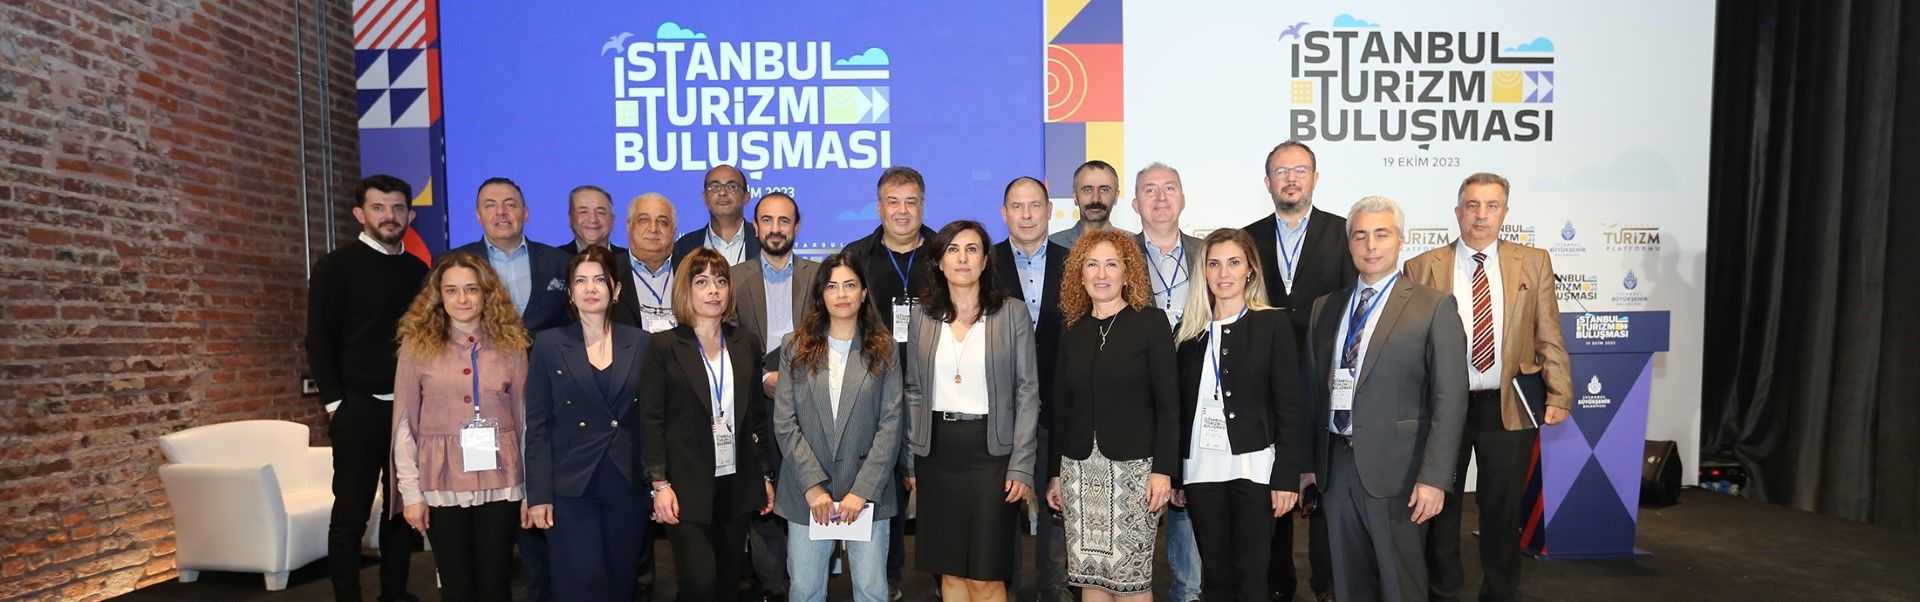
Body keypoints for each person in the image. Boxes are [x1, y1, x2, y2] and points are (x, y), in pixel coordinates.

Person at [1404, 173, 1572, 602]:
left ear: (1505, 212)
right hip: (1444, 410)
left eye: (1491, 206)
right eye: (1472, 205)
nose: (1481, 215)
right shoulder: (1422, 267)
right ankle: (1443, 588)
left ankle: (1500, 591)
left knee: (1502, 510)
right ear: (1457, 211)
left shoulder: (1533, 261)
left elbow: (1548, 332)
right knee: (1439, 506)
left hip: (1508, 405)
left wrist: (1559, 393)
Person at [1306, 196, 1468, 601]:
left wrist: (1435, 478)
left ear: (1400, 240)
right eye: (1360, 236)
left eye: (1381, 234)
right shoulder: (1326, 308)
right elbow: (1314, 393)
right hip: (1336, 469)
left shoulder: (1433, 306)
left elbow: (1450, 400)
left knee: (1402, 586)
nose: (1371, 245)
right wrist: (1307, 465)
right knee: (1348, 586)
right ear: (1350, 244)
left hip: (1400, 474)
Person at [904, 220, 1040, 602]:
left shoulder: (1011, 313)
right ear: (939, 262)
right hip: (937, 453)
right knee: (950, 571)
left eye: (971, 249)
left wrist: (1021, 464)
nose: (962, 258)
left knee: (985, 576)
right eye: (953, 250)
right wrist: (912, 460)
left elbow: (1028, 391)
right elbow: (913, 391)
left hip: (992, 455)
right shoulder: (922, 315)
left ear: (984, 261)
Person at [307, 174, 426, 602]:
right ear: (361, 214)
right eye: (378, 208)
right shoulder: (335, 267)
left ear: (410, 215)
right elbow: (318, 338)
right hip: (358, 409)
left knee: (401, 510)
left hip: (408, 410)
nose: (389, 216)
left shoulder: (419, 271)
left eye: (397, 208)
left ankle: (395, 593)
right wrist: (336, 404)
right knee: (350, 515)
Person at [389, 253, 533, 602]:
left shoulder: (513, 345)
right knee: (456, 587)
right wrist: (411, 494)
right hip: (442, 480)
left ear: (486, 293)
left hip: (501, 480)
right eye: (451, 290)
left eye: (471, 289)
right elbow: (404, 425)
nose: (462, 299)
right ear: (439, 295)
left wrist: (532, 490)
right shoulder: (415, 346)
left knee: (496, 585)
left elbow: (526, 421)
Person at [1044, 229, 1179, 601]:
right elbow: (1061, 407)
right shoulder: (1072, 330)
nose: (1101, 274)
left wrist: (1164, 471)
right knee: (1090, 578)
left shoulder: (1150, 323)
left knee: (1131, 581)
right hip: (1078, 472)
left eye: (1111, 264)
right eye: (1092, 265)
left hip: (1135, 473)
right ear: (1080, 274)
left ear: (1127, 272)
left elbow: (1169, 405)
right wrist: (1054, 474)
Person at [1243, 141, 1352, 602]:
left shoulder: (1345, 233)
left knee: (1325, 487)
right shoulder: (1247, 238)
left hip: (1326, 381)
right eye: (1281, 171)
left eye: (1300, 170)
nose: (1291, 179)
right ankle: (1277, 588)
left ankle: (1328, 587)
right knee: (1273, 487)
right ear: (1268, 182)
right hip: (1264, 384)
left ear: (1315, 178)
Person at [1171, 229, 1304, 602]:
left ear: (1250, 270)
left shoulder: (1273, 325)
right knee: (1215, 578)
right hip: (1200, 470)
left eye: (1233, 263)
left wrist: (1287, 477)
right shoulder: (1188, 334)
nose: (1223, 273)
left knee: (1253, 578)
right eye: (1214, 264)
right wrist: (1175, 474)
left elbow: (1290, 407)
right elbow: (1178, 409)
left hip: (1255, 469)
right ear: (1204, 272)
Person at [640, 247, 776, 601]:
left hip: (737, 480)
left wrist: (764, 476)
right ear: (686, 290)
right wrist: (659, 484)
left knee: (729, 583)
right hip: (685, 485)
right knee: (699, 584)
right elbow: (651, 421)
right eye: (701, 282)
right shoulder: (664, 346)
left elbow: (756, 417)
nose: (713, 290)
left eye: (720, 281)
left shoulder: (745, 343)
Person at [771, 253, 906, 602]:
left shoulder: (885, 349)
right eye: (832, 286)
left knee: (872, 591)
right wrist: (812, 487)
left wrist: (862, 491)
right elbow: (785, 421)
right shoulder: (794, 348)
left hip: (868, 493)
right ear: (821, 294)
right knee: (805, 591)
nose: (842, 294)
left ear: (863, 292)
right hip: (807, 493)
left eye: (850, 285)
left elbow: (891, 425)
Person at [523, 248, 651, 601]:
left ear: (616, 289)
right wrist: (538, 495)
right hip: (570, 485)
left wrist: (658, 481)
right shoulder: (548, 344)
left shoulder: (641, 343)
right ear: (569, 292)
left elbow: (651, 419)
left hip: (626, 480)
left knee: (622, 582)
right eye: (580, 281)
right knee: (579, 583)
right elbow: (537, 426)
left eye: (599, 280)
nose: (590, 288)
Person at [838, 166, 935, 595]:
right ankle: (887, 579)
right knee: (882, 488)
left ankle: (944, 577)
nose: (902, 210)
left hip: (936, 390)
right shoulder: (856, 256)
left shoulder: (944, 251)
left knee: (938, 490)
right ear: (879, 207)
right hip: (875, 391)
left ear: (923, 205)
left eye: (911, 201)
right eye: (893, 202)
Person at [729, 191, 817, 598]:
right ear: (755, 227)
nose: (776, 228)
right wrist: (763, 376)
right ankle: (770, 586)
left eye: (784, 220)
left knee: (805, 488)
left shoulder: (820, 275)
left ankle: (806, 582)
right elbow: (727, 340)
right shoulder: (733, 278)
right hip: (754, 399)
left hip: (810, 402)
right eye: (767, 220)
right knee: (762, 494)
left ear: (797, 227)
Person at [990, 177, 1071, 601]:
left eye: (1035, 205)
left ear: (1049, 211)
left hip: (1060, 406)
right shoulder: (984, 263)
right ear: (1003, 213)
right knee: (1003, 503)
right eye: (1017, 207)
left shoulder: (1073, 262)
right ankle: (1005, 587)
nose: (1026, 215)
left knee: (1056, 503)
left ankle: (1053, 588)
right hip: (1002, 409)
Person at [450, 177, 572, 335]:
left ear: (526, 213)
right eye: (490, 205)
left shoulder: (560, 261)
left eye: (510, 205)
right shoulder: (451, 263)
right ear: (478, 215)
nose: (501, 211)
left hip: (546, 351)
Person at [615, 192, 680, 333]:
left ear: (674, 231)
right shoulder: (609, 271)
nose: (653, 229)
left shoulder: (691, 272)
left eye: (662, 222)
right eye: (644, 220)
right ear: (629, 226)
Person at [673, 164, 761, 265]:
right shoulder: (684, 248)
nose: (722, 192)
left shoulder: (762, 240)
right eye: (715, 187)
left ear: (746, 197)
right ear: (705, 197)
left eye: (732, 187)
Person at [1049, 160, 1133, 249]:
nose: (1096, 199)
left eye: (1104, 190)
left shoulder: (1132, 245)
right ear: (1075, 197)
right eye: (1087, 190)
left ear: (1116, 197)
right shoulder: (1052, 245)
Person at [559, 185, 628, 257]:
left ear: (612, 221)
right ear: (570, 219)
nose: (593, 219)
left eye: (600, 212)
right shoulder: (555, 260)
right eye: (583, 212)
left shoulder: (629, 260)